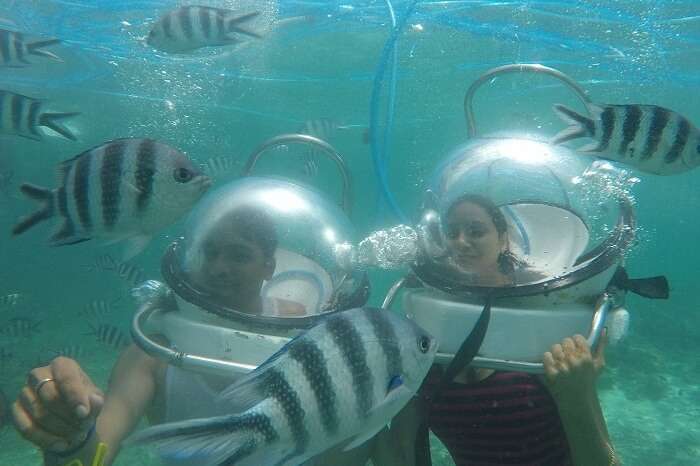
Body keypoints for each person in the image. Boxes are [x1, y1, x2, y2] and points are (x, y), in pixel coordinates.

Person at [11, 206, 377, 466]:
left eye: (238, 255)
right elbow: (96, 452)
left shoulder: (306, 332)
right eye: (210, 252)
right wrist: (70, 438)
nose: (219, 267)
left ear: (269, 266)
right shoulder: (155, 355)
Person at [373, 194, 619, 466]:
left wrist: (578, 393)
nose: (461, 242)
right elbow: (402, 452)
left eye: (476, 231)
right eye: (452, 233)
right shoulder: (429, 321)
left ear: (503, 239)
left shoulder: (542, 314)